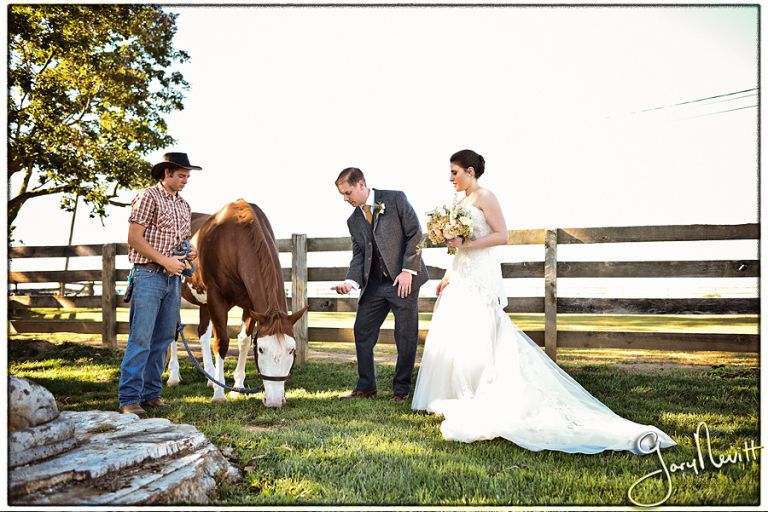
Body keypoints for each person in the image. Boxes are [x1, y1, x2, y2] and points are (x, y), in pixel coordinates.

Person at [411, 149, 677, 455]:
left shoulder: (486, 197)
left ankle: (486, 387)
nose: (450, 178)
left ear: (470, 171)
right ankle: (456, 391)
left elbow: (502, 235)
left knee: (482, 326)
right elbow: (459, 247)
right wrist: (448, 273)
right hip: (462, 270)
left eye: (454, 172)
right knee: (459, 327)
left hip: (481, 272)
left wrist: (466, 243)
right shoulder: (460, 202)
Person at [332, 168, 429, 402]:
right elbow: (359, 254)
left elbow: (416, 234)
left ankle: (401, 390)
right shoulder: (353, 220)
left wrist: (407, 271)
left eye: (347, 192)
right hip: (374, 286)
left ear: (361, 185)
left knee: (405, 336)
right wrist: (350, 281)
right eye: (342, 194)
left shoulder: (395, 199)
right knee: (362, 330)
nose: (345, 199)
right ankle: (366, 386)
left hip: (403, 281)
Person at [118, 152, 201, 415]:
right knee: (141, 337)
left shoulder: (184, 206)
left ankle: (151, 394)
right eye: (181, 175)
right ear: (166, 173)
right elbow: (134, 238)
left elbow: (181, 240)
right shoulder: (147, 197)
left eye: (187, 176)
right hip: (148, 276)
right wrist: (165, 261)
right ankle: (129, 398)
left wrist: (190, 250)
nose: (185, 180)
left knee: (164, 338)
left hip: (173, 280)